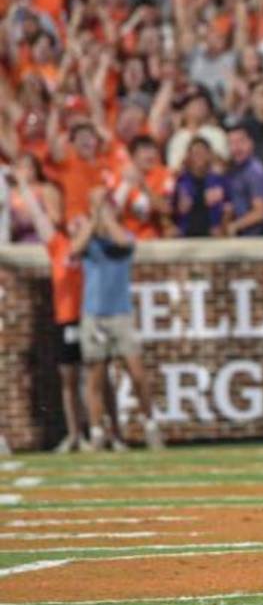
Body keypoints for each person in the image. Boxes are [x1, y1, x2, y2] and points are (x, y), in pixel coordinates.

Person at [78, 188, 163, 450]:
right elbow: (74, 248)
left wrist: (105, 214)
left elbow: (122, 242)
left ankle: (150, 424)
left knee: (136, 372)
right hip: (94, 314)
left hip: (120, 313)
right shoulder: (88, 240)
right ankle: (96, 432)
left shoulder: (123, 235)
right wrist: (94, 218)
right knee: (97, 377)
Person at [17, 170, 87, 451]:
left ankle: (99, 430)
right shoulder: (59, 245)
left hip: (90, 317)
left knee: (95, 378)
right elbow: (38, 217)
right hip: (66, 318)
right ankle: (75, 434)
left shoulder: (91, 244)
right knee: (69, 378)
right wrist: (23, 187)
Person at [171, 138, 232, 237]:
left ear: (209, 155)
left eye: (203, 153)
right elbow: (170, 209)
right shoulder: (180, 181)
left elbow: (228, 207)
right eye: (195, 153)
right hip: (185, 233)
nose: (199, 157)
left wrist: (223, 227)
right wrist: (171, 227)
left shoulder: (220, 180)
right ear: (189, 156)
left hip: (213, 233)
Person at [224, 125, 263, 236]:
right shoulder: (233, 169)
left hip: (254, 239)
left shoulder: (255, 172)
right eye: (231, 143)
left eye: (240, 142)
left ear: (251, 143)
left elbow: (261, 212)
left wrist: (234, 226)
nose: (236, 148)